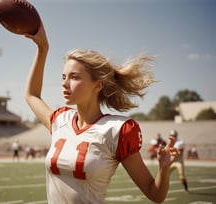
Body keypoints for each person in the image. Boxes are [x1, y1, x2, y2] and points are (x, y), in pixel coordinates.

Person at [23, 22, 179, 203]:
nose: (64, 83)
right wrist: (43, 48)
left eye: (74, 77)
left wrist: (164, 169)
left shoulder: (118, 130)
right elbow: (31, 95)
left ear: (98, 85)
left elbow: (155, 194)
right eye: (64, 77)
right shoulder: (60, 120)